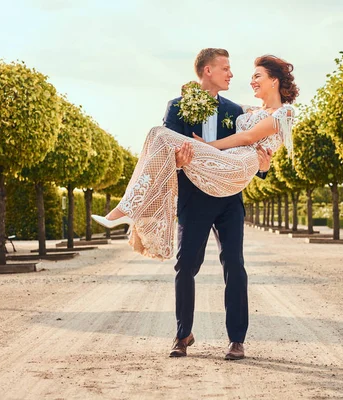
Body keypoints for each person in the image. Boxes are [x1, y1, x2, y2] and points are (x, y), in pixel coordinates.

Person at [93, 50, 299, 360]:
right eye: (225, 68)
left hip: (229, 196)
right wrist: (179, 160)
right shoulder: (178, 107)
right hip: (195, 195)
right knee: (185, 265)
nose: (233, 74)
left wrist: (263, 166)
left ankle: (236, 340)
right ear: (207, 70)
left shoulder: (234, 110)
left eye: (236, 69)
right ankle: (182, 334)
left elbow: (253, 150)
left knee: (235, 265)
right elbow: (170, 158)